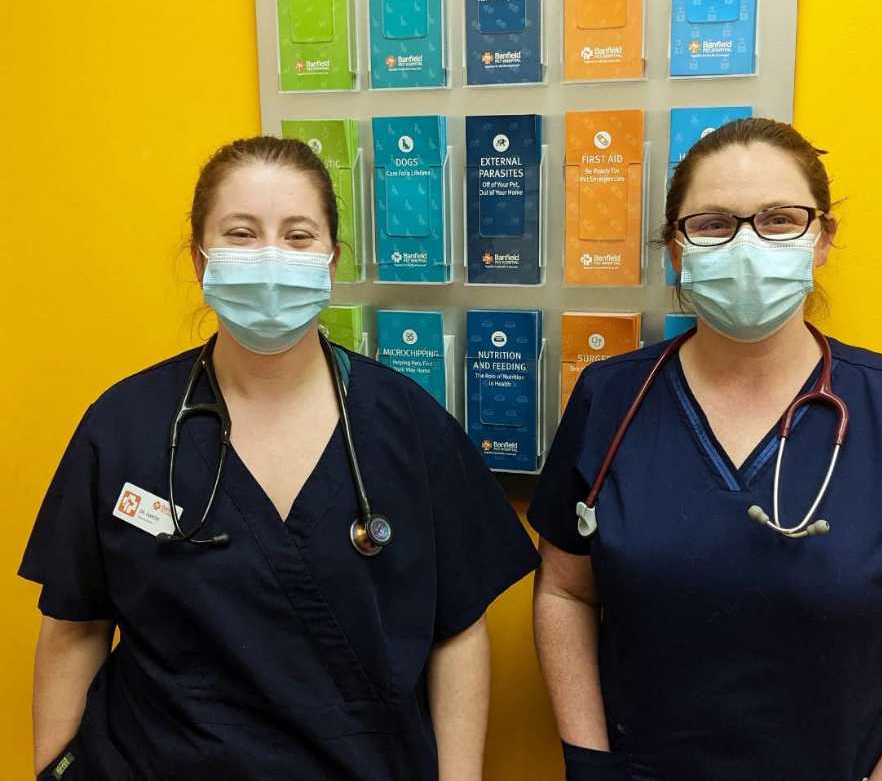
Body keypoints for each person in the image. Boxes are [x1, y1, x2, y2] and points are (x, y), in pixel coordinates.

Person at [21, 136, 539, 780]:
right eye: (241, 234)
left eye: (297, 236)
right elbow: (74, 628)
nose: (270, 259)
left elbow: (457, 634)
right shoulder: (123, 426)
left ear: (331, 259)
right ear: (199, 257)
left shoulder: (406, 426)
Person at [529, 118, 882, 781]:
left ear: (821, 240)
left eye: (780, 219)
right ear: (676, 249)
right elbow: (564, 592)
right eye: (712, 224)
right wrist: (590, 761)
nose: (747, 245)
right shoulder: (611, 399)